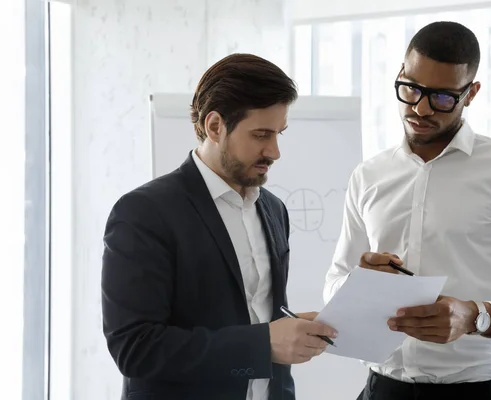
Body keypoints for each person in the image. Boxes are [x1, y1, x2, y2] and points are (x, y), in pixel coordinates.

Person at [324, 21, 491, 400]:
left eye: (441, 98)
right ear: (399, 75)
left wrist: (477, 317)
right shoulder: (369, 175)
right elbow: (335, 285)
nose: (420, 109)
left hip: (474, 392)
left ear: (470, 93)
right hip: (380, 391)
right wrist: (359, 284)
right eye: (410, 89)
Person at [101, 53, 337, 400]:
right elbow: (135, 348)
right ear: (215, 126)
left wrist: (290, 333)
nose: (274, 151)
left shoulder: (274, 210)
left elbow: (257, 315)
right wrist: (263, 343)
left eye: (279, 134)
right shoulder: (143, 212)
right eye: (261, 134)